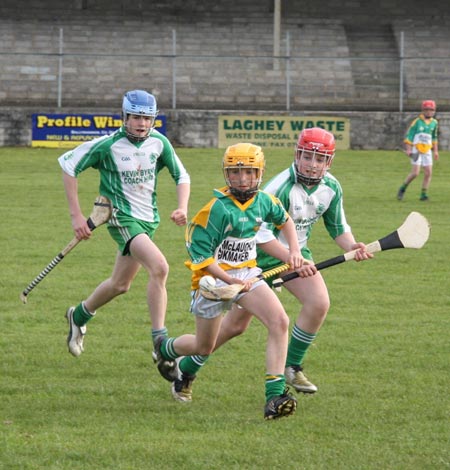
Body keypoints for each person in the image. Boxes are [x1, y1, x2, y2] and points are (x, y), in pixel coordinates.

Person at [164, 128, 372, 400]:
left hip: (295, 256)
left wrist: (351, 245)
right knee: (234, 328)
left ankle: (290, 366)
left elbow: (337, 226)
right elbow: (260, 238)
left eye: (319, 159)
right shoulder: (276, 187)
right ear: (297, 154)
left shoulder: (331, 187)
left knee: (317, 303)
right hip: (259, 259)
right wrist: (291, 259)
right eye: (307, 157)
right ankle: (185, 365)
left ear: (328, 162)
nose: (312, 164)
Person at [154, 142, 307, 420]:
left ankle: (274, 397)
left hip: (247, 274)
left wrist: (294, 253)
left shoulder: (264, 201)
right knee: (205, 346)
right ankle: (166, 347)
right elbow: (201, 258)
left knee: (279, 321)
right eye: (236, 173)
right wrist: (229, 282)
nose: (243, 179)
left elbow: (285, 221)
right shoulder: (215, 210)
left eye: (249, 172)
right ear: (227, 174)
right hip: (212, 283)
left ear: (259, 173)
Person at [58, 90, 190, 375]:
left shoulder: (159, 143)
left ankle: (78, 315)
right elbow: (68, 166)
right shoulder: (108, 145)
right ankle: (160, 342)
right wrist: (76, 215)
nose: (142, 123)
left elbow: (182, 175)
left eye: (147, 118)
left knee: (120, 285)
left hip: (148, 221)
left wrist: (182, 206)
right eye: (136, 117)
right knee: (160, 267)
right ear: (124, 116)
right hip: (121, 218)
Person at [397, 100, 439, 201]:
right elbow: (409, 136)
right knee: (415, 173)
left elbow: (434, 138)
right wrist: (408, 149)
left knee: (428, 173)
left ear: (434, 111)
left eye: (431, 110)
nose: (429, 112)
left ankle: (423, 195)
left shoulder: (434, 123)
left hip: (427, 151)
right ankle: (402, 188)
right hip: (416, 150)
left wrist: (436, 151)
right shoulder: (417, 122)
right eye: (427, 110)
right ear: (423, 110)